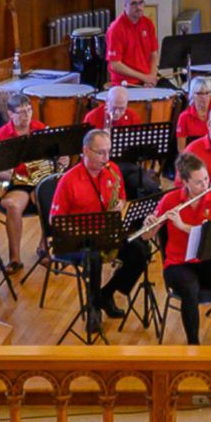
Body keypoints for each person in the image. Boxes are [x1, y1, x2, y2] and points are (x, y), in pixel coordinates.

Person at [50, 129, 150, 336]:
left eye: (109, 152)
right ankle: (94, 308)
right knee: (93, 259)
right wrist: (81, 233)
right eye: (101, 152)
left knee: (140, 251)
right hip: (76, 240)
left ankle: (107, 293)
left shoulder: (112, 169)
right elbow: (54, 220)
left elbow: (121, 197)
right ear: (85, 151)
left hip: (105, 232)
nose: (107, 158)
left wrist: (119, 205)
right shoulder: (69, 180)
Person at [141, 152, 211, 346]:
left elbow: (210, 234)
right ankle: (194, 346)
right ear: (185, 182)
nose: (205, 186)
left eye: (206, 179)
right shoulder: (170, 199)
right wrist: (149, 225)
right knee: (190, 289)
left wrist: (182, 225)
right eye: (199, 182)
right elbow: (146, 236)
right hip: (178, 264)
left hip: (206, 258)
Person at [0, 93, 65, 271]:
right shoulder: (1, 136)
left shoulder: (40, 128)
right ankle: (15, 259)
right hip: (16, 182)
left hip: (40, 179)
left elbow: (57, 154)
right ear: (10, 114)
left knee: (51, 198)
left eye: (29, 110)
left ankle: (44, 246)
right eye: (22, 112)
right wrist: (15, 176)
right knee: (14, 207)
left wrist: (62, 159)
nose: (27, 115)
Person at [106, 0, 159, 87]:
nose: (138, 7)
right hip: (126, 82)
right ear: (125, 6)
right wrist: (144, 78)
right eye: (134, 4)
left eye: (140, 3)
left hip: (146, 78)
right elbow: (115, 65)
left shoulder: (148, 23)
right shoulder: (116, 29)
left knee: (176, 94)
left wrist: (151, 77)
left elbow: (154, 54)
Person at [174, 77, 211, 147]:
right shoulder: (184, 117)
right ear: (192, 95)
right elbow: (181, 149)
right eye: (199, 93)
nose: (204, 97)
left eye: (207, 93)